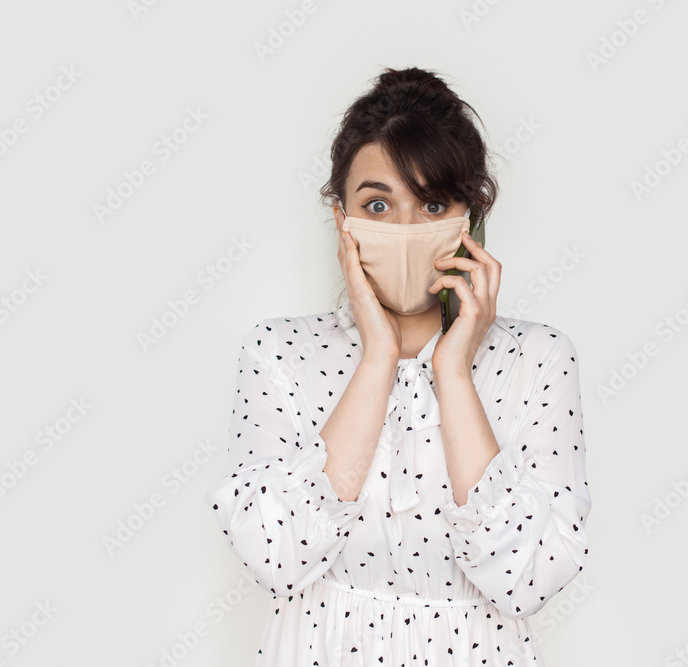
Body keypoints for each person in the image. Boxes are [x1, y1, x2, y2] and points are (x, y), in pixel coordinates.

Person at [203, 66, 592, 666]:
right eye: (378, 205)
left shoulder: (538, 359)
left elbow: (529, 580)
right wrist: (378, 358)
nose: (405, 231)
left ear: (470, 217)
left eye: (432, 203)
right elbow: (275, 557)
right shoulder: (278, 352)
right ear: (341, 217)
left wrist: (454, 373)